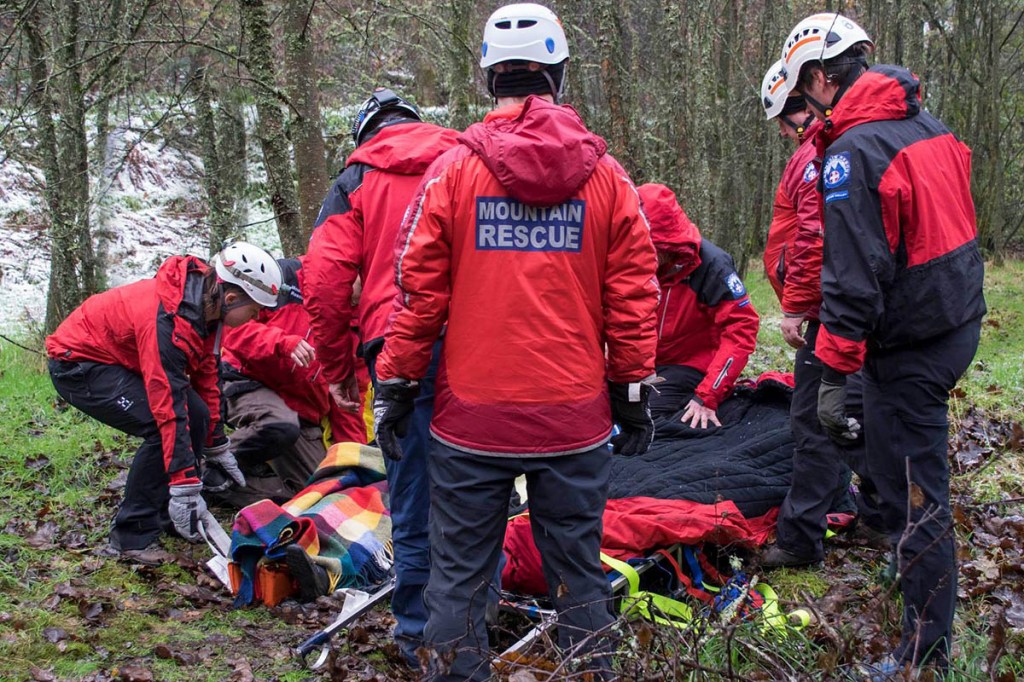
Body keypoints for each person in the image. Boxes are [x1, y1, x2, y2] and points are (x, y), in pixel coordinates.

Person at [372, 4, 660, 679]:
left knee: (460, 580)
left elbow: (416, 294)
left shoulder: (452, 174)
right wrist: (633, 392)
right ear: (558, 75)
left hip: (472, 419)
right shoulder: (609, 179)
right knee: (578, 577)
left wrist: (395, 382)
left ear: (488, 78)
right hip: (573, 418)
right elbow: (635, 296)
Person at [780, 13, 986, 672]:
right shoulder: (927, 124)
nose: (803, 112)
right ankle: (894, 542)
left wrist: (833, 373)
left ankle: (926, 651)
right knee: (877, 447)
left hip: (915, 341)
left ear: (818, 77)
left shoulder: (852, 152)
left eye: (801, 94)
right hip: (954, 320)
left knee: (919, 489)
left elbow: (854, 282)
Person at [304, 88, 459, 664]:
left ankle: (418, 631)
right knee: (481, 482)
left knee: (412, 484)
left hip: (394, 346)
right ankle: (481, 610)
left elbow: (322, 278)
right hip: (477, 341)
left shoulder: (358, 179)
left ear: (366, 133)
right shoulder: (466, 159)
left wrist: (338, 367)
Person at [46, 242, 283, 565]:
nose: (255, 318)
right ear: (231, 298)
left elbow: (207, 378)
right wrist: (185, 485)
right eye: (254, 311)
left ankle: (167, 518)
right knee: (162, 429)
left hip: (118, 361)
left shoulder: (207, 311)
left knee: (196, 414)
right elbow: (168, 408)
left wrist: (216, 443)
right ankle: (131, 537)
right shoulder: (166, 320)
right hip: (78, 365)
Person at [757, 62, 883, 568]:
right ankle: (882, 512)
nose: (785, 135)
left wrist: (795, 306)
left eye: (784, 124)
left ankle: (799, 539)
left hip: (828, 307)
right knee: (855, 409)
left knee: (813, 419)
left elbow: (812, 237)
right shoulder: (841, 146)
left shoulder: (816, 157)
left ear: (797, 110)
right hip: (848, 302)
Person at [215, 256, 370, 508]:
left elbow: (349, 401)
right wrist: (281, 343)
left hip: (303, 410)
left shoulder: (363, 324)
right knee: (278, 423)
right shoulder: (284, 277)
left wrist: (354, 461)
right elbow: (231, 328)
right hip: (246, 380)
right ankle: (209, 464)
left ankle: (222, 484)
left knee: (321, 491)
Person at [636, 183, 759, 427]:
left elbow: (742, 330)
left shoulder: (711, 266)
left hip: (688, 366)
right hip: (640, 363)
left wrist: (708, 395)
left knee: (642, 420)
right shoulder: (629, 261)